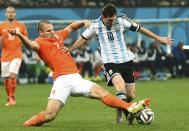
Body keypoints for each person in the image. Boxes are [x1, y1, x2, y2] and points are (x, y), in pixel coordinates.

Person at [8, 20, 150, 127]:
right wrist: (19, 34)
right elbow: (30, 45)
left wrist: (83, 22)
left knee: (102, 93)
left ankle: (130, 107)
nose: (52, 32)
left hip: (76, 79)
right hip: (61, 81)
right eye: (48, 31)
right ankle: (28, 124)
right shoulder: (39, 42)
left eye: (52, 29)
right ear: (41, 33)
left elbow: (70, 27)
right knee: (50, 115)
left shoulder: (58, 36)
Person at [68, 3, 173, 124]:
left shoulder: (122, 21)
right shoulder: (95, 25)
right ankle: (130, 114)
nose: (113, 22)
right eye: (110, 20)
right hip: (109, 62)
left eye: (114, 19)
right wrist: (70, 49)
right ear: (103, 17)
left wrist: (158, 38)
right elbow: (82, 38)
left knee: (131, 95)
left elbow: (141, 29)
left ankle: (119, 107)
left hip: (126, 60)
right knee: (120, 86)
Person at [0, 6, 28, 106]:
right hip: (5, 56)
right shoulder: (1, 26)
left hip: (17, 55)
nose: (10, 14)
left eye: (12, 12)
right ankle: (9, 97)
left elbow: (26, 39)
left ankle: (12, 97)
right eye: (8, 12)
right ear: (6, 14)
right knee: (6, 77)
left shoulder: (21, 25)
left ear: (15, 13)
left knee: (12, 75)